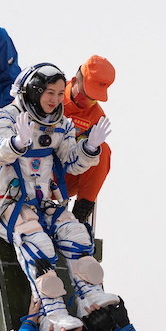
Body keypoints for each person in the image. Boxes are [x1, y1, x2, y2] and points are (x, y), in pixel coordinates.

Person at [0, 63, 115, 331]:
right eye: (49, 93)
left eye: (59, 93)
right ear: (33, 91)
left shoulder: (60, 123)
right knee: (37, 241)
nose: (55, 100)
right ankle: (51, 312)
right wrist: (16, 144)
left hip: (42, 201)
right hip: (4, 203)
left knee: (76, 233)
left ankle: (90, 296)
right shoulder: (5, 118)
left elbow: (71, 163)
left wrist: (89, 147)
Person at [63, 56, 116, 224]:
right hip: (32, 171)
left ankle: (80, 216)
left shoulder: (96, 117)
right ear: (74, 81)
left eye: (94, 98)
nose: (89, 102)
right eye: (86, 94)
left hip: (64, 175)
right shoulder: (51, 94)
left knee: (102, 150)